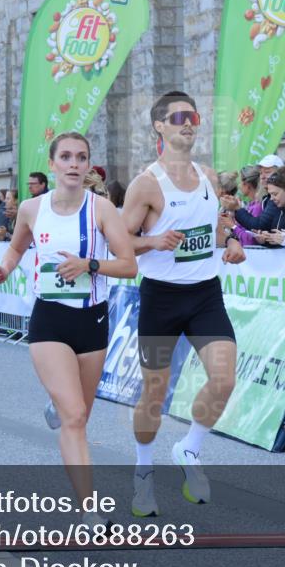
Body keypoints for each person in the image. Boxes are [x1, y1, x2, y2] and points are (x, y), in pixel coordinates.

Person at [0, 132, 136, 529]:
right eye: (66, 157)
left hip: (92, 320)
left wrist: (89, 265)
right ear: (52, 164)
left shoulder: (102, 209)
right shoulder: (33, 209)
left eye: (81, 157)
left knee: (79, 415)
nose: (73, 164)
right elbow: (17, 248)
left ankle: (58, 401)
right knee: (73, 416)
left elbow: (128, 264)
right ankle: (89, 509)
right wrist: (4, 268)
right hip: (50, 318)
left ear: (88, 166)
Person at [122, 90, 245, 517]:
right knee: (154, 394)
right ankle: (142, 474)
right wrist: (152, 240)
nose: (187, 123)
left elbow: (213, 228)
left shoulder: (208, 176)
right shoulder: (146, 184)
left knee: (224, 379)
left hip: (204, 294)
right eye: (177, 117)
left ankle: (189, 448)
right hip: (161, 298)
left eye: (191, 115)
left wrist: (229, 242)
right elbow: (120, 243)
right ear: (159, 126)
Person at [228, 163, 285, 247]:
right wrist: (264, 239)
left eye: (275, 194)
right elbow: (278, 239)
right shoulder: (280, 206)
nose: (271, 198)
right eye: (270, 194)